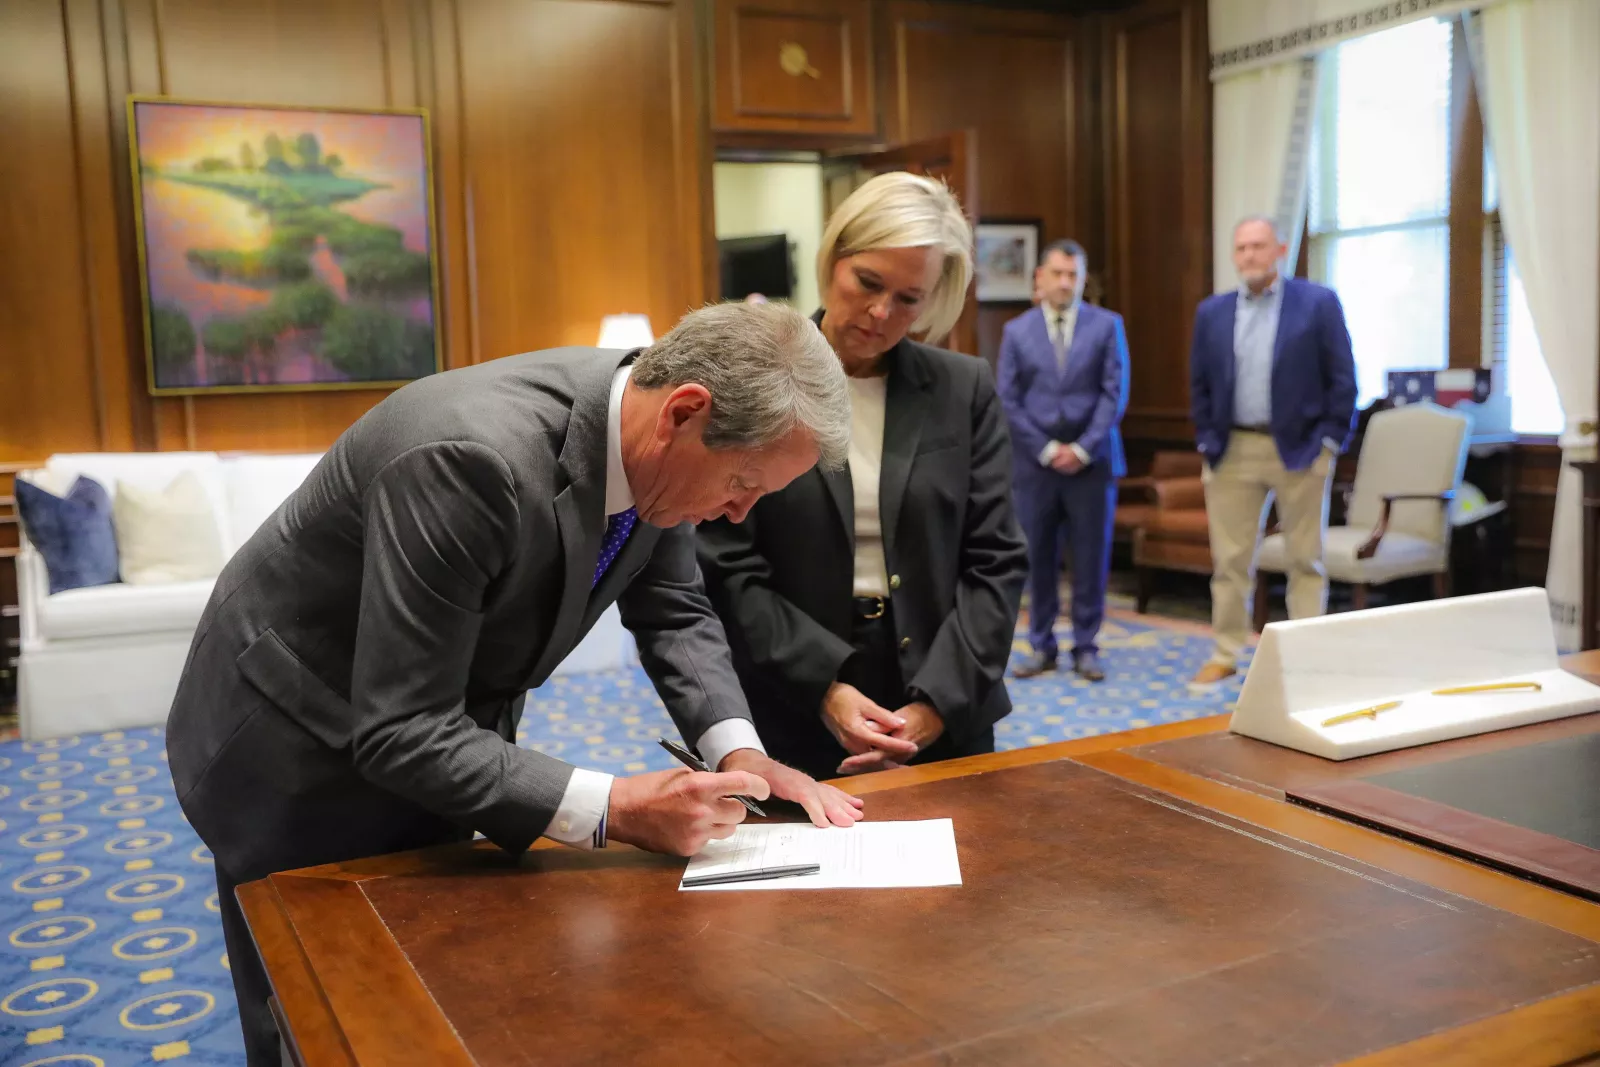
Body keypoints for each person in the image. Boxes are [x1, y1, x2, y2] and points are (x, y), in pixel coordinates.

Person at [165, 302, 866, 1065]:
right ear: (684, 411)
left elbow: (673, 606)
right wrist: (619, 808)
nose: (740, 511)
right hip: (289, 741)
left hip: (440, 728)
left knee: (423, 997)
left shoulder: (660, 435)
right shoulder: (468, 456)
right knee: (312, 1016)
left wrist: (740, 752)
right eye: (743, 484)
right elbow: (402, 729)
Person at [696, 172, 1028, 781]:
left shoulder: (963, 389)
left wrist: (934, 705)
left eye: (909, 299)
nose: (880, 313)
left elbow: (996, 561)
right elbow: (726, 565)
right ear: (834, 259)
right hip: (790, 689)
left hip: (944, 693)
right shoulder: (752, 375)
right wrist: (825, 688)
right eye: (868, 283)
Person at [1188, 215, 1357, 688]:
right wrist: (1206, 440)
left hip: (1301, 450)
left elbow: (1343, 379)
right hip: (1232, 449)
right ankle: (1225, 652)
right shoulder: (1212, 313)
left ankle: (1303, 657)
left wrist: (1328, 443)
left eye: (1259, 246)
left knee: (1305, 559)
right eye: (1241, 248)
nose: (1250, 256)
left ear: (1280, 250)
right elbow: (1199, 384)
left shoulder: (1317, 304)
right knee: (1230, 562)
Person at [997, 239, 1129, 681]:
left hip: (1093, 464)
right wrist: (1049, 449)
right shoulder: (1017, 331)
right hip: (1035, 466)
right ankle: (1041, 645)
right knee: (1037, 559)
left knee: (1091, 559)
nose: (1065, 282)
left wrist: (1083, 447)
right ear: (1041, 278)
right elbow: (1009, 400)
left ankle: (1087, 646)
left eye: (1073, 275)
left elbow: (1114, 393)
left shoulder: (1108, 326)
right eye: (1057, 274)